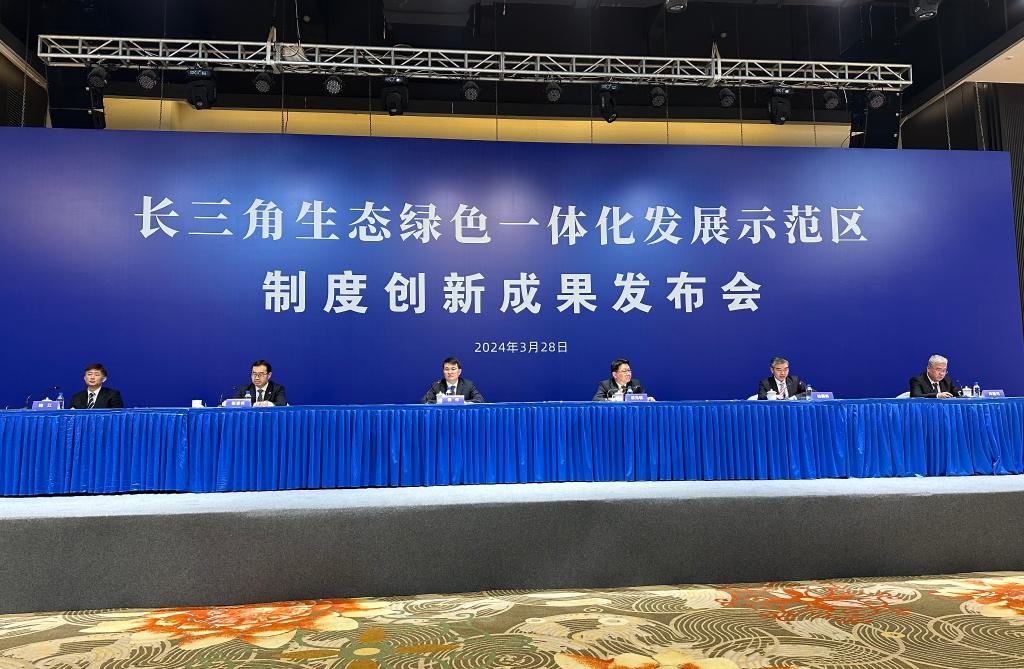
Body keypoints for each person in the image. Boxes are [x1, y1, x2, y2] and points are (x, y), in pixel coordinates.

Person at [421, 357, 485, 403]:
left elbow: (480, 400)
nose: (450, 372)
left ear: (459, 372)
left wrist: (462, 402)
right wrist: (441, 401)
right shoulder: (437, 385)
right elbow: (423, 401)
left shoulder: (468, 385)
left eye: (453, 369)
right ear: (443, 371)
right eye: (446, 369)